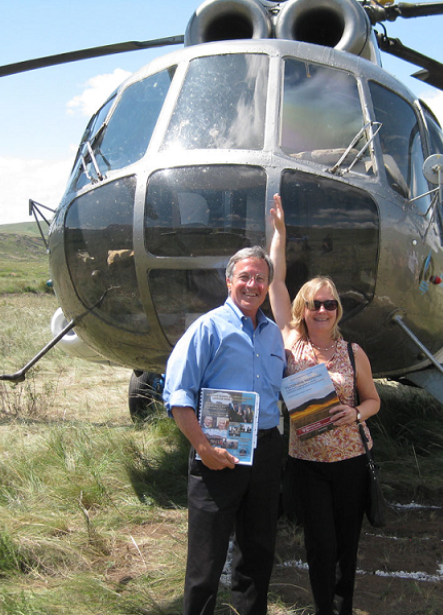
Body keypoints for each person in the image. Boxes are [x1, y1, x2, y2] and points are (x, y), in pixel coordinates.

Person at [268, 194, 380, 615]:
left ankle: (344, 606)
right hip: (307, 464)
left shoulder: (354, 353)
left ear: (337, 311)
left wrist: (356, 412)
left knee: (347, 544)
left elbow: (373, 400)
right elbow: (276, 282)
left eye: (330, 303)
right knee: (321, 544)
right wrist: (279, 235)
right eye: (314, 303)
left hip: (350, 460)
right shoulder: (289, 342)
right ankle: (323, 609)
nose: (322, 309)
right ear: (303, 308)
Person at [163, 245, 286, 615]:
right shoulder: (208, 328)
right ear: (229, 280)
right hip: (217, 456)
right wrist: (203, 448)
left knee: (257, 554)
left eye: (260, 278)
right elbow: (179, 394)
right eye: (245, 276)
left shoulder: (272, 334)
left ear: (267, 284)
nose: (253, 284)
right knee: (206, 562)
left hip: (265, 453)